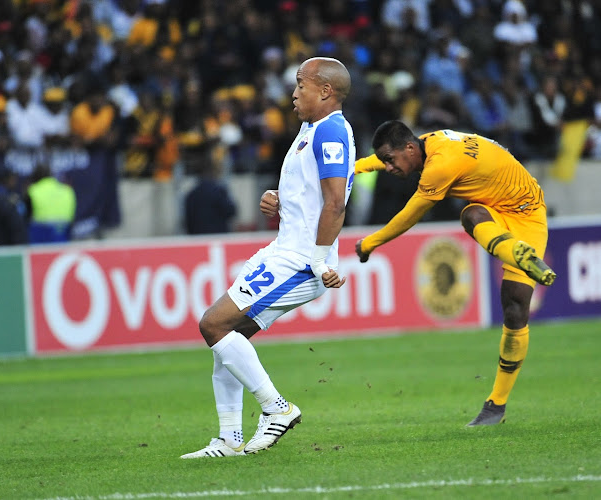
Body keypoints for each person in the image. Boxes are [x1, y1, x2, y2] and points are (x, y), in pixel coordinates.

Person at [181, 57, 355, 459]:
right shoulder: (311, 130)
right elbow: (313, 195)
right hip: (285, 249)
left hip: (298, 259)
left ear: (325, 90)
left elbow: (335, 204)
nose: (294, 93)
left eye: (301, 84)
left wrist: (318, 260)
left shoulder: (330, 131)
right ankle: (227, 439)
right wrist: (278, 199)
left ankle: (277, 409)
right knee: (229, 338)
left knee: (214, 324)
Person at [353, 120, 557, 427]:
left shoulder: (441, 165)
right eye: (385, 162)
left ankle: (496, 403)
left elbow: (410, 216)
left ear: (409, 149)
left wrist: (370, 243)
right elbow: (379, 159)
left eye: (391, 161)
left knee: (515, 306)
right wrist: (354, 167)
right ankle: (515, 252)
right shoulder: (426, 143)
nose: (389, 168)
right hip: (495, 209)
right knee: (472, 214)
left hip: (526, 212)